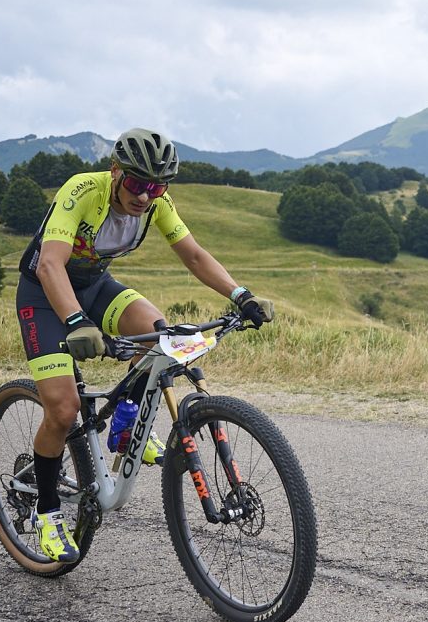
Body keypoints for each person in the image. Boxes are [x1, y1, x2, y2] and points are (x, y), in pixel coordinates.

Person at [14, 128, 274, 562]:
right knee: (63, 410)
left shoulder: (157, 204)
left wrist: (239, 295)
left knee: (159, 334)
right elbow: (51, 263)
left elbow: (193, 254)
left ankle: (124, 425)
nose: (144, 196)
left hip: (95, 285)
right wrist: (76, 322)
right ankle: (46, 512)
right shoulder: (81, 190)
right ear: (116, 171)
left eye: (156, 187)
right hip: (45, 292)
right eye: (137, 184)